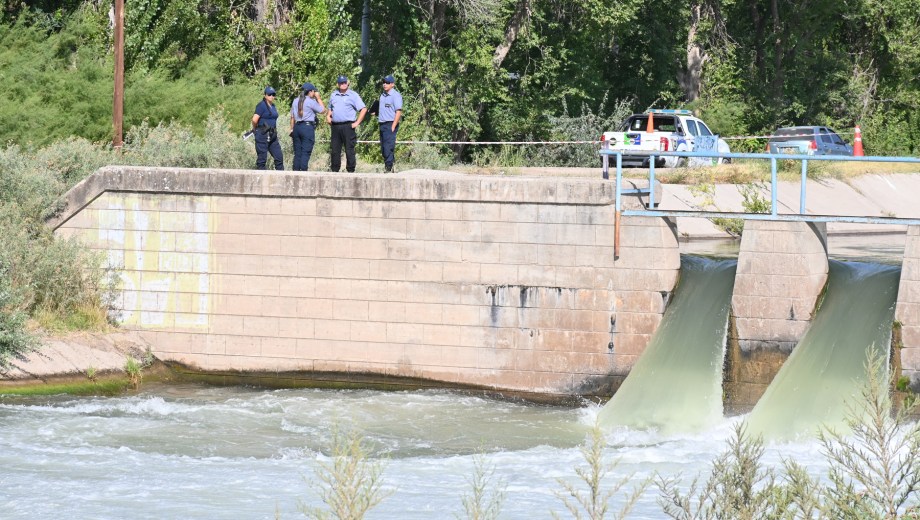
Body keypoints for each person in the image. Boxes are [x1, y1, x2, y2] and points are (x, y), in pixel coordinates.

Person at [326, 75, 366, 173]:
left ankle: (350, 170)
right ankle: (335, 169)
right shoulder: (333, 95)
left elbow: (363, 109)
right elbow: (330, 108)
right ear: (338, 84)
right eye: (341, 83)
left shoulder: (353, 95)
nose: (343, 85)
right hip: (335, 126)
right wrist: (328, 116)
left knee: (349, 149)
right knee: (335, 150)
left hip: (348, 125)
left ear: (347, 83)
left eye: (344, 82)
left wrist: (357, 123)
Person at [289, 82, 325, 171]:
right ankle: (303, 173)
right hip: (307, 127)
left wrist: (292, 129)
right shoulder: (310, 101)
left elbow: (292, 117)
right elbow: (323, 110)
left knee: (297, 153)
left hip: (297, 127)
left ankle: (295, 173)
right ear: (311, 91)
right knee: (305, 152)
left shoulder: (295, 100)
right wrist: (318, 98)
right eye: (314, 91)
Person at [373, 74, 403, 173]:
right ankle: (392, 165)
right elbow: (383, 109)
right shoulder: (382, 95)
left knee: (388, 147)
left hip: (390, 123)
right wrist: (375, 112)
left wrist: (394, 125)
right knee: (383, 147)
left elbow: (398, 111)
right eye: (384, 82)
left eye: (387, 83)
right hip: (382, 123)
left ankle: (388, 168)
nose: (385, 84)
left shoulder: (395, 95)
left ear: (392, 84)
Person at [251, 86, 284, 170]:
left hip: (272, 134)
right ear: (265, 95)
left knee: (279, 157)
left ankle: (281, 177)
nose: (272, 96)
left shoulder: (273, 106)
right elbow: (254, 120)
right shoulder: (261, 106)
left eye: (273, 94)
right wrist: (255, 129)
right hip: (262, 133)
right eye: (269, 94)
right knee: (262, 159)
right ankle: (261, 179)